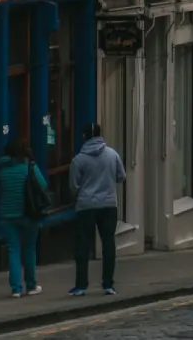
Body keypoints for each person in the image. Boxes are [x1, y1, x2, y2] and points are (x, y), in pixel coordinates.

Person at [70, 123, 125, 296]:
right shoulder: (112, 154)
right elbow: (121, 176)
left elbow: (73, 186)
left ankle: (81, 286)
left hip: (86, 206)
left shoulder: (79, 159)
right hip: (108, 205)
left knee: (83, 244)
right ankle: (108, 284)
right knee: (108, 242)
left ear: (85, 137)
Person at [0, 138, 46, 297]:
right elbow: (42, 184)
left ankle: (16, 289)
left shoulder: (2, 172)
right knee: (30, 248)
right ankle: (31, 286)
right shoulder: (28, 168)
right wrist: (32, 162)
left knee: (13, 250)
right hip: (28, 214)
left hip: (7, 216)